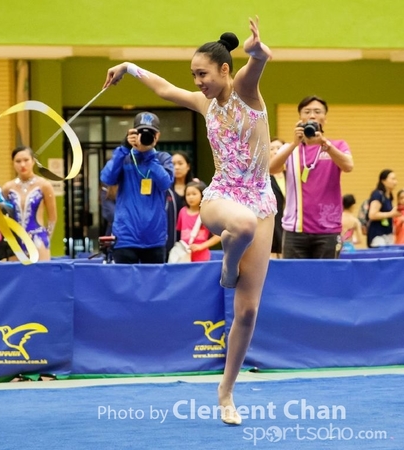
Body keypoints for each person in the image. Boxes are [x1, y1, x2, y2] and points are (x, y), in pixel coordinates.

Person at [104, 18, 275, 425]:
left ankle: (226, 390)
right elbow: (164, 89)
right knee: (242, 225)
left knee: (247, 311)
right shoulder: (204, 103)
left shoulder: (245, 91)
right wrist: (128, 67)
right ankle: (228, 262)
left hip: (261, 199)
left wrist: (257, 50)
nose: (198, 82)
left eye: (203, 74)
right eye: (194, 75)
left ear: (224, 70)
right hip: (222, 196)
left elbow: (258, 62)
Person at [270, 95, 353, 259]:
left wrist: (325, 144)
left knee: (327, 274)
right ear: (300, 118)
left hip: (328, 229)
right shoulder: (290, 148)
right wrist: (294, 143)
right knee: (295, 275)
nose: (312, 116)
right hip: (295, 229)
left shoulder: (337, 146)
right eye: (307, 112)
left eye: (317, 112)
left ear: (325, 119)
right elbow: (271, 169)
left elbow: (348, 166)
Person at [99, 112, 174, 264]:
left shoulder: (162, 158)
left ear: (157, 136)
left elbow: (165, 183)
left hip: (154, 239)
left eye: (150, 133)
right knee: (124, 280)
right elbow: (107, 178)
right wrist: (124, 149)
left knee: (154, 280)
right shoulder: (124, 157)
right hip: (126, 237)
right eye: (141, 132)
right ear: (133, 134)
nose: (145, 137)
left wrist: (149, 156)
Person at [2, 146, 57, 261]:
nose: (22, 165)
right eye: (18, 161)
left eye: (26, 160)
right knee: (15, 272)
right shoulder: (7, 188)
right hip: (15, 242)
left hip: (38, 240)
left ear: (33, 161)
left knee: (40, 272)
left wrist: (46, 237)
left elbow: (52, 217)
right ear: (13, 163)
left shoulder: (44, 185)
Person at [176, 180, 221, 261]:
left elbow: (218, 236)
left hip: (202, 257)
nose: (191, 197)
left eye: (194, 194)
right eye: (188, 194)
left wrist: (201, 246)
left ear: (202, 195)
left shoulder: (206, 213)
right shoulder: (182, 211)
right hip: (184, 256)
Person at [166, 151, 196, 258]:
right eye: (173, 164)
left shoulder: (196, 188)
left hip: (191, 242)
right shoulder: (165, 189)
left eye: (180, 163)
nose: (176, 167)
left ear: (188, 166)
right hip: (168, 239)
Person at [366, 169, 400, 248]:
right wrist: (391, 214)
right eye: (393, 179)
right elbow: (372, 215)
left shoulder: (389, 196)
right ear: (383, 181)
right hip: (378, 235)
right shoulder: (378, 195)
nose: (395, 182)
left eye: (396, 179)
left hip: (388, 234)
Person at [269, 138, 286, 258]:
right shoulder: (263, 178)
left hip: (289, 225)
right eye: (272, 148)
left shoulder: (291, 174)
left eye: (279, 148)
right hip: (272, 226)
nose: (275, 151)